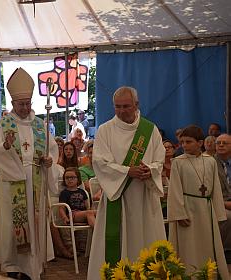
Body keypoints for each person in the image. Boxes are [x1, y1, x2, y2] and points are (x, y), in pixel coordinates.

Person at [0, 67, 59, 280]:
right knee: (12, 225)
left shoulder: (39, 124)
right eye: (21, 104)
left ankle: (33, 267)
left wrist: (48, 160)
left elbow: (52, 149)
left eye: (28, 103)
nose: (25, 107)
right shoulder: (3, 124)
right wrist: (5, 148)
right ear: (12, 104)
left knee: (35, 225)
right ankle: (12, 266)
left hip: (35, 179)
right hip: (13, 182)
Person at [87, 86, 165, 278]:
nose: (121, 111)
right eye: (117, 106)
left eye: (126, 106)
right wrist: (128, 171)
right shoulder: (105, 130)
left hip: (143, 197)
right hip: (117, 197)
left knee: (144, 239)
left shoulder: (150, 129)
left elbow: (159, 159)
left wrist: (150, 170)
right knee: (117, 240)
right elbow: (100, 162)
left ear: (136, 105)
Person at [167, 125, 227, 278]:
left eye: (189, 142)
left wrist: (219, 214)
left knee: (206, 244)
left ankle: (208, 274)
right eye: (182, 142)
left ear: (200, 143)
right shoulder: (178, 162)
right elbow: (175, 190)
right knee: (189, 245)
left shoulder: (210, 161)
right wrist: (179, 214)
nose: (184, 146)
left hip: (206, 209)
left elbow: (216, 190)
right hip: (187, 209)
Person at [213, 134, 231, 261]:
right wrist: (224, 203)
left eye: (225, 143)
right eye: (218, 143)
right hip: (220, 202)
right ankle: (225, 251)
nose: (221, 145)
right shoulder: (209, 162)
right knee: (227, 216)